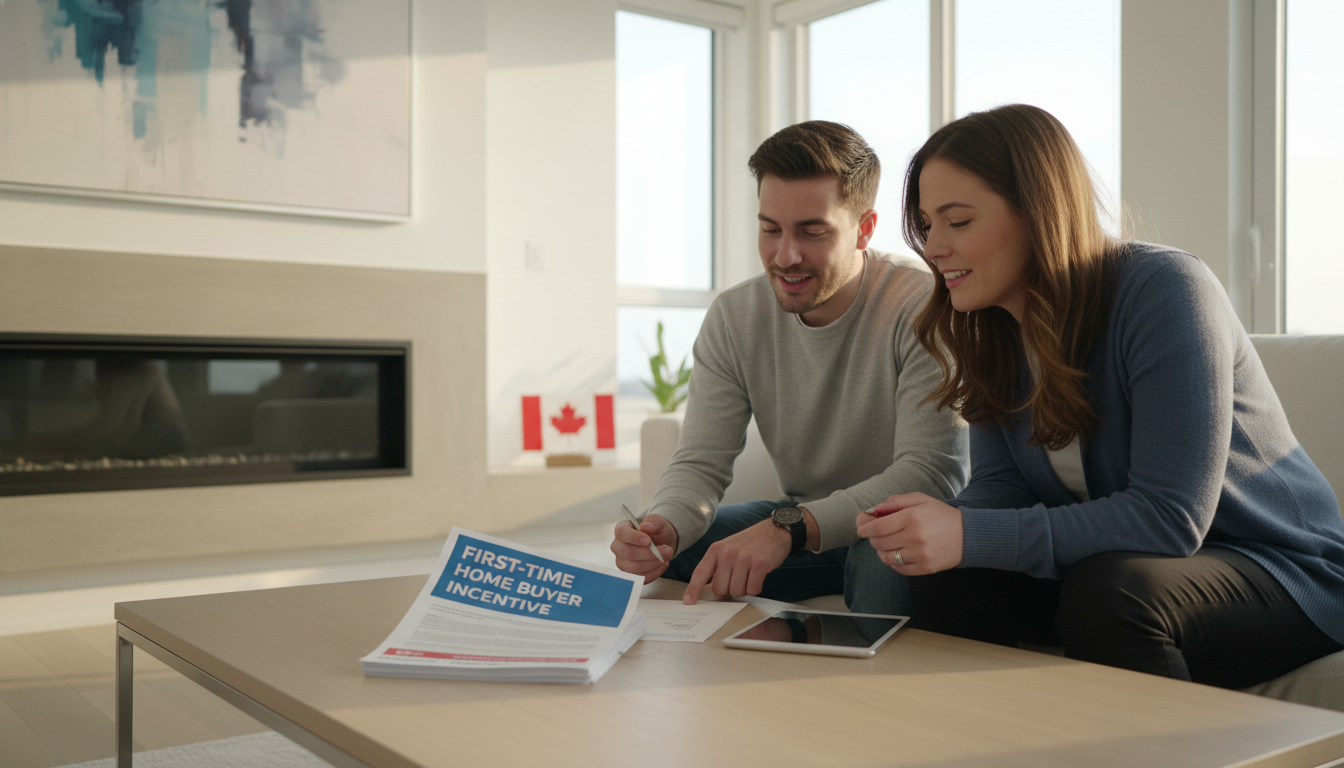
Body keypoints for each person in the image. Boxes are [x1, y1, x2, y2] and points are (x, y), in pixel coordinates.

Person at [857, 103, 1344, 688]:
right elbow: (1004, 487)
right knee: (948, 573)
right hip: (1128, 569)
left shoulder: (1165, 291)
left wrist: (968, 533)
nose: (933, 248)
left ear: (1038, 212)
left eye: (958, 222)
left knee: (1110, 593)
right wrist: (935, 523)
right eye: (928, 225)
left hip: (1284, 574)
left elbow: (1171, 518)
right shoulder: (993, 327)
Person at [611, 121, 969, 613]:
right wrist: (664, 524)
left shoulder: (922, 305)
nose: (786, 255)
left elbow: (932, 472)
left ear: (864, 229)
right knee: (681, 554)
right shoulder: (735, 317)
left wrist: (788, 529)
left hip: (897, 524)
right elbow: (699, 460)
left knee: (881, 565)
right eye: (770, 229)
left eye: (812, 231)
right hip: (802, 522)